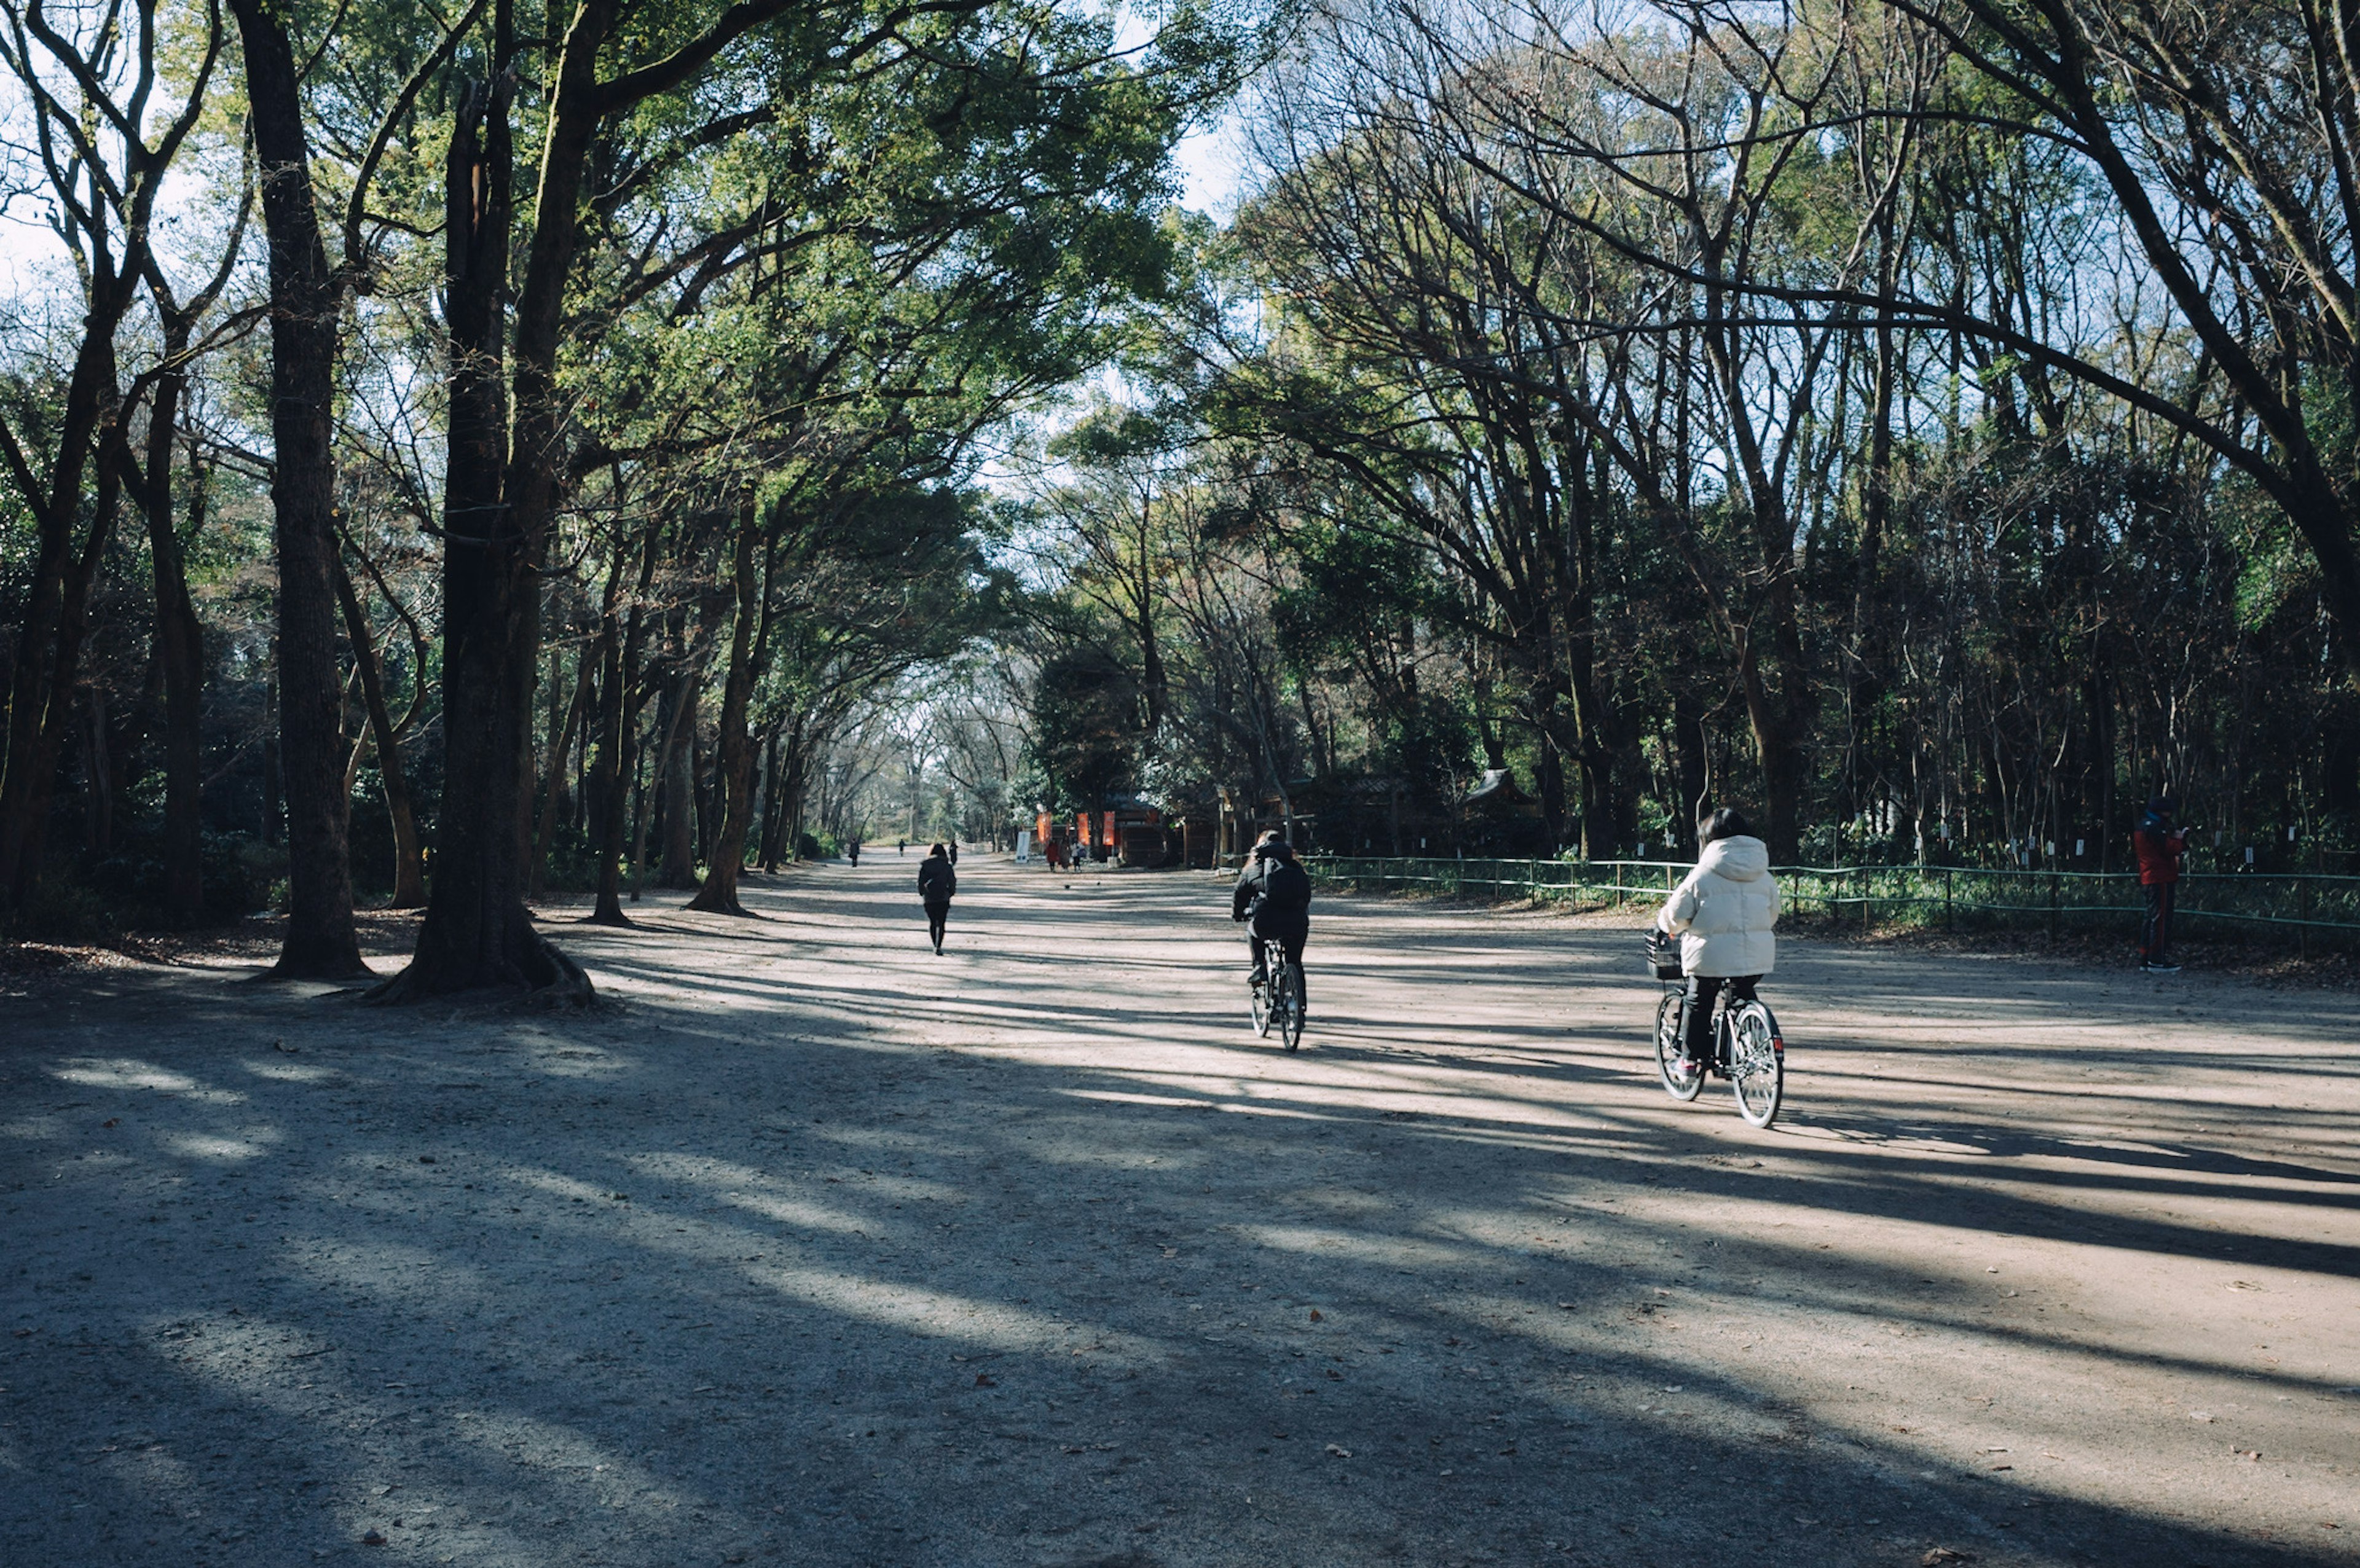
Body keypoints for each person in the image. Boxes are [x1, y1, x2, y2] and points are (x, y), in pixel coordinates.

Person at [1654, 807, 1781, 1080]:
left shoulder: (1701, 875)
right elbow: (1772, 916)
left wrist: (1665, 925)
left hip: (1710, 958)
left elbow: (1675, 917)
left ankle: (1689, 1061)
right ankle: (1751, 1043)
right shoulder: (1764, 875)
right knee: (1742, 993)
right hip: (1756, 957)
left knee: (1698, 1002)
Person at [1232, 829, 1312, 1007]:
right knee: (1294, 961)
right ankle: (1300, 1007)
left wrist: (1238, 914)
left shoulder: (1253, 868)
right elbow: (1306, 895)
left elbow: (1239, 894)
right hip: (1297, 923)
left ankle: (1259, 966)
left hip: (1265, 922)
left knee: (1252, 932)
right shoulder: (1296, 867)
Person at [2134, 795, 2189, 973]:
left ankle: (2146, 956)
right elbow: (2169, 849)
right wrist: (2180, 839)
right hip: (2160, 877)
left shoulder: (2146, 825)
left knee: (2151, 918)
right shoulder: (2154, 828)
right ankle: (2157, 959)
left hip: (2151, 876)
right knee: (2160, 919)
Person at [918, 842, 956, 954]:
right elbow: (952, 881)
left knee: (933, 922)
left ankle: (934, 943)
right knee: (942, 922)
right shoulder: (947, 866)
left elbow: (920, 881)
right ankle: (938, 946)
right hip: (943, 897)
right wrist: (950, 893)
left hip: (929, 898)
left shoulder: (925, 865)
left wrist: (923, 893)